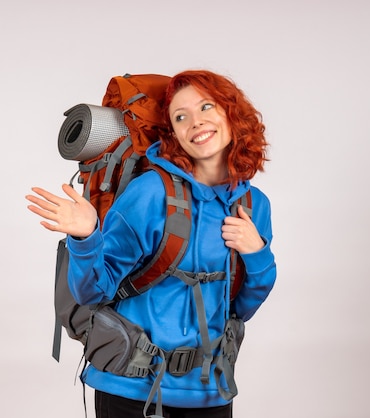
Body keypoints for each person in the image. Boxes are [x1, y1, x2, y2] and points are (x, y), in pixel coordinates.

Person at [26, 69, 277, 418]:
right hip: (131, 389)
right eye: (180, 116)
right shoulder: (151, 192)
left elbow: (243, 307)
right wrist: (85, 236)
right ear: (173, 131)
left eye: (207, 107)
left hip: (211, 392)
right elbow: (94, 291)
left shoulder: (253, 205)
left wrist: (258, 254)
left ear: (232, 113)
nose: (196, 122)